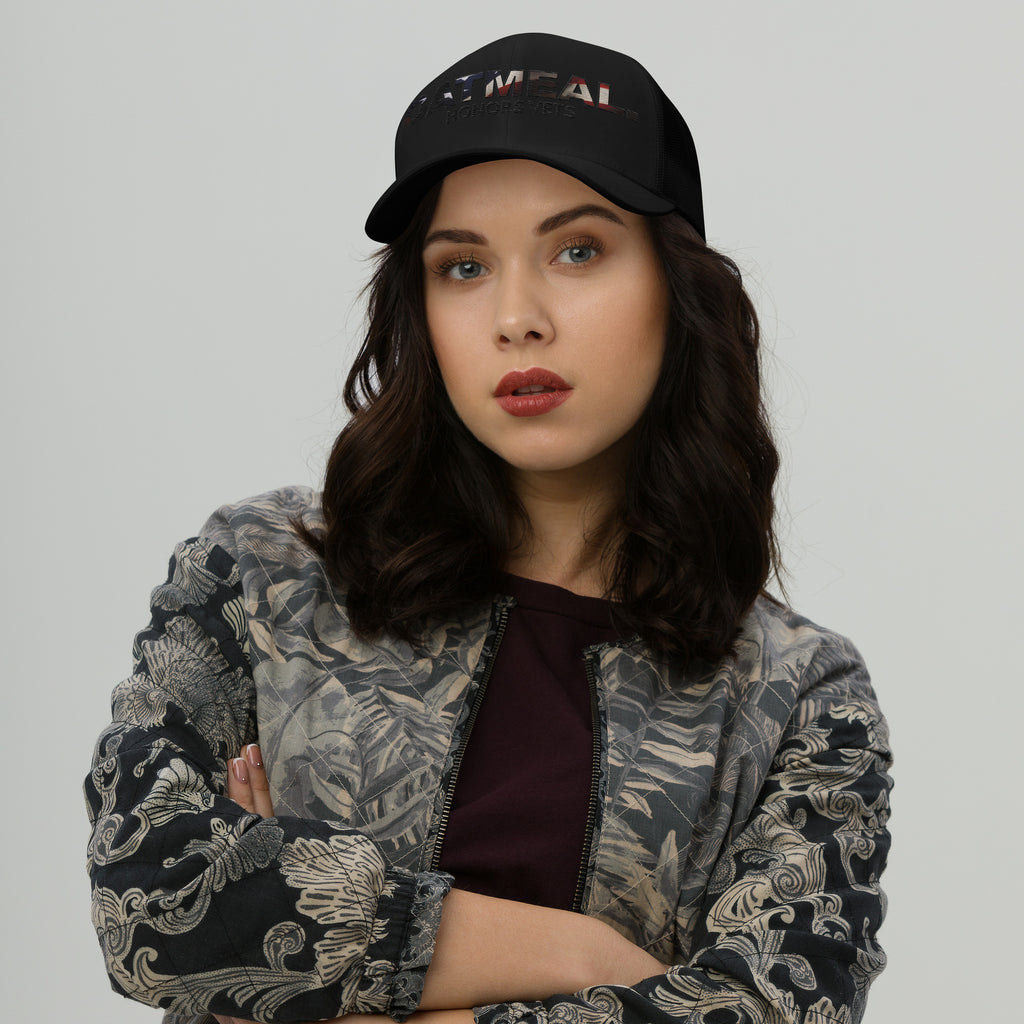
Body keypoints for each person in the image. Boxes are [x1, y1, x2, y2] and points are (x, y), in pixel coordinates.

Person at [84, 31, 892, 1024]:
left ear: (675, 287)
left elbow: (774, 1007)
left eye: (578, 250)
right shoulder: (261, 575)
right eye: (462, 266)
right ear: (418, 308)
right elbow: (153, 900)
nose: (516, 316)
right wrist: (590, 956)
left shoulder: (796, 693)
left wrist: (313, 965)